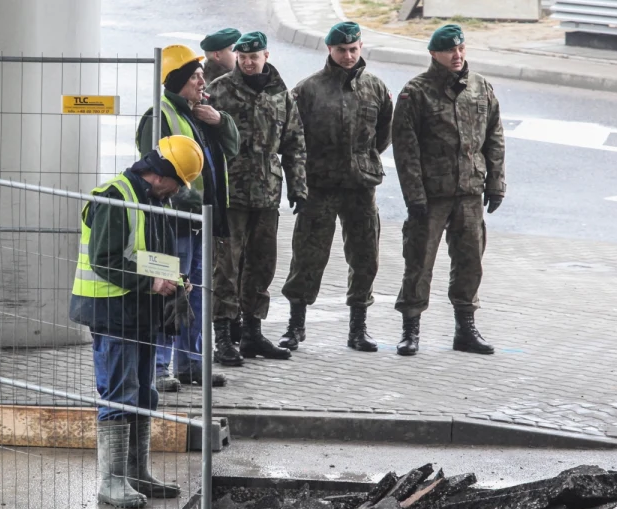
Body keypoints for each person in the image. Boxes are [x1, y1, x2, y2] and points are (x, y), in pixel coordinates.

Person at [68, 136, 205, 509]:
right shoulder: (115, 198)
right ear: (162, 175)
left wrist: (171, 279)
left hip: (139, 313)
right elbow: (104, 260)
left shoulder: (153, 200)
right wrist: (150, 283)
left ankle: (136, 474)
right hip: (112, 313)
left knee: (146, 393)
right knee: (119, 394)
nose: (179, 191)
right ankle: (112, 482)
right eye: (179, 182)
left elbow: (147, 254)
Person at [391, 24, 505, 357]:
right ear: (434, 54)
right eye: (449, 51)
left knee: (470, 261)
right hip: (431, 195)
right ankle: (410, 329)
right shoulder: (416, 92)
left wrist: (496, 182)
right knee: (419, 262)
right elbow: (406, 148)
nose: (457, 56)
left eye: (461, 49)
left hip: (469, 191)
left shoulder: (480, 87)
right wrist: (414, 196)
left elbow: (494, 137)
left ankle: (465, 330)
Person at [279, 22, 392, 353]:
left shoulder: (374, 87)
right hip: (320, 184)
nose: (348, 55)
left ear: (361, 48)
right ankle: (295, 325)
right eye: (341, 50)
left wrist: (363, 160)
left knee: (365, 255)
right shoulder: (309, 89)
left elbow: (383, 133)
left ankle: (359, 328)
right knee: (308, 255)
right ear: (329, 50)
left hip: (360, 185)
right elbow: (292, 139)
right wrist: (298, 184)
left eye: (354, 49)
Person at [137, 45, 238, 393]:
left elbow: (231, 151)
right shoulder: (160, 115)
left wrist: (222, 121)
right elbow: (153, 171)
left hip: (198, 222)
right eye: (195, 77)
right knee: (169, 291)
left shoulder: (200, 113)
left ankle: (191, 364)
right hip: (173, 221)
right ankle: (161, 367)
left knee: (195, 294)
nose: (202, 81)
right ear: (179, 81)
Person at [205, 31, 308, 365]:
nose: (248, 63)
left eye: (255, 56)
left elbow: (294, 143)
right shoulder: (219, 89)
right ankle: (223, 335)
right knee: (227, 266)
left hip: (267, 193)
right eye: (243, 57)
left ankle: (252, 332)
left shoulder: (281, 94)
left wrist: (298, 186)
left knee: (262, 265)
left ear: (266, 55)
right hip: (230, 194)